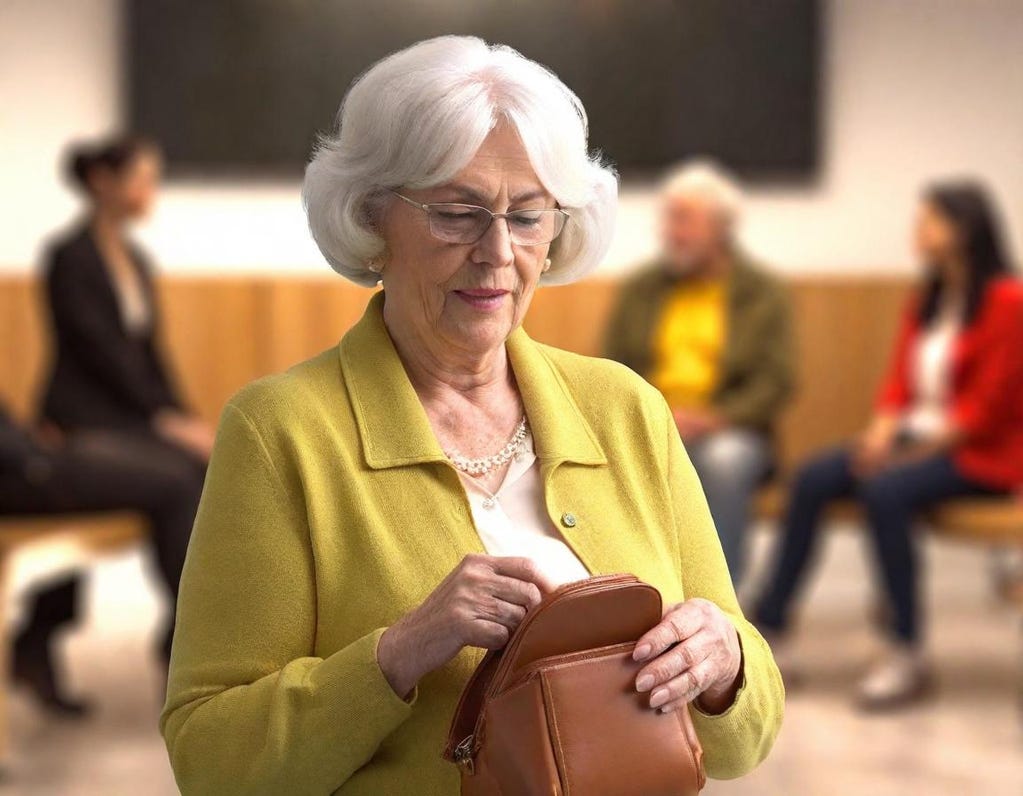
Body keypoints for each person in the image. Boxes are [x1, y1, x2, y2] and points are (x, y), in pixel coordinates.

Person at [160, 36, 783, 794]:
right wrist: (396, 654)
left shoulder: (625, 408)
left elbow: (743, 742)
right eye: (457, 214)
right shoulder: (279, 432)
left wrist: (725, 662)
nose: (497, 252)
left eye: (527, 217)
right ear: (371, 218)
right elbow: (211, 760)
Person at [753, 181, 1023, 710]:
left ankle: (904, 649)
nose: (916, 231)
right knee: (812, 477)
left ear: (963, 229)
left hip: (983, 456)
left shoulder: (1008, 301)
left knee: (885, 491)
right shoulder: (928, 298)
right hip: (914, 438)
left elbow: (986, 409)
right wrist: (880, 435)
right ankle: (771, 629)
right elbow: (898, 383)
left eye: (928, 221)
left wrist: (900, 455)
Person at [32, 135, 212, 670]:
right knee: (181, 479)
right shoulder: (69, 257)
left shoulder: (134, 258)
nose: (149, 190)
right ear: (102, 183)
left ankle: (186, 630)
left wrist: (183, 417)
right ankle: (182, 637)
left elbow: (150, 355)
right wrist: (162, 419)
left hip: (131, 418)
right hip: (82, 420)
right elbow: (101, 352)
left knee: (205, 464)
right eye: (140, 179)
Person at [605, 161, 794, 586]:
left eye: (683, 219)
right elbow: (611, 365)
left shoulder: (762, 293)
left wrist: (715, 418)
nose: (670, 232)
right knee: (607, 459)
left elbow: (776, 379)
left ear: (721, 227)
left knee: (723, 460)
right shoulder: (640, 289)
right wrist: (658, 413)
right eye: (668, 219)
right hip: (651, 419)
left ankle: (719, 595)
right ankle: (636, 590)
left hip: (729, 427)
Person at [0, 400, 202, 714]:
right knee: (178, 484)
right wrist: (32, 455)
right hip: (20, 465)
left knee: (188, 469)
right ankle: (189, 653)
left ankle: (35, 642)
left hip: (31, 450)